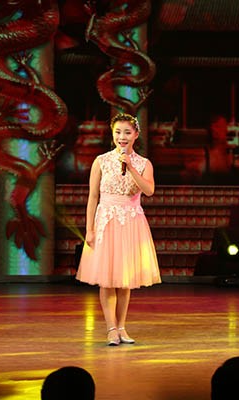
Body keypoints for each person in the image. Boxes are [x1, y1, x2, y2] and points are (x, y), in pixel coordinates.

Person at [76, 113, 161, 345]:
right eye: (117, 132)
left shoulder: (144, 164)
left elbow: (149, 191)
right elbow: (93, 197)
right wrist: (89, 229)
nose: (122, 137)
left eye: (127, 132)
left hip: (131, 222)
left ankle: (122, 327)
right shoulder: (101, 161)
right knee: (107, 279)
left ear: (136, 135)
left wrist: (131, 167)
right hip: (106, 221)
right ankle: (111, 329)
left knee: (124, 279)